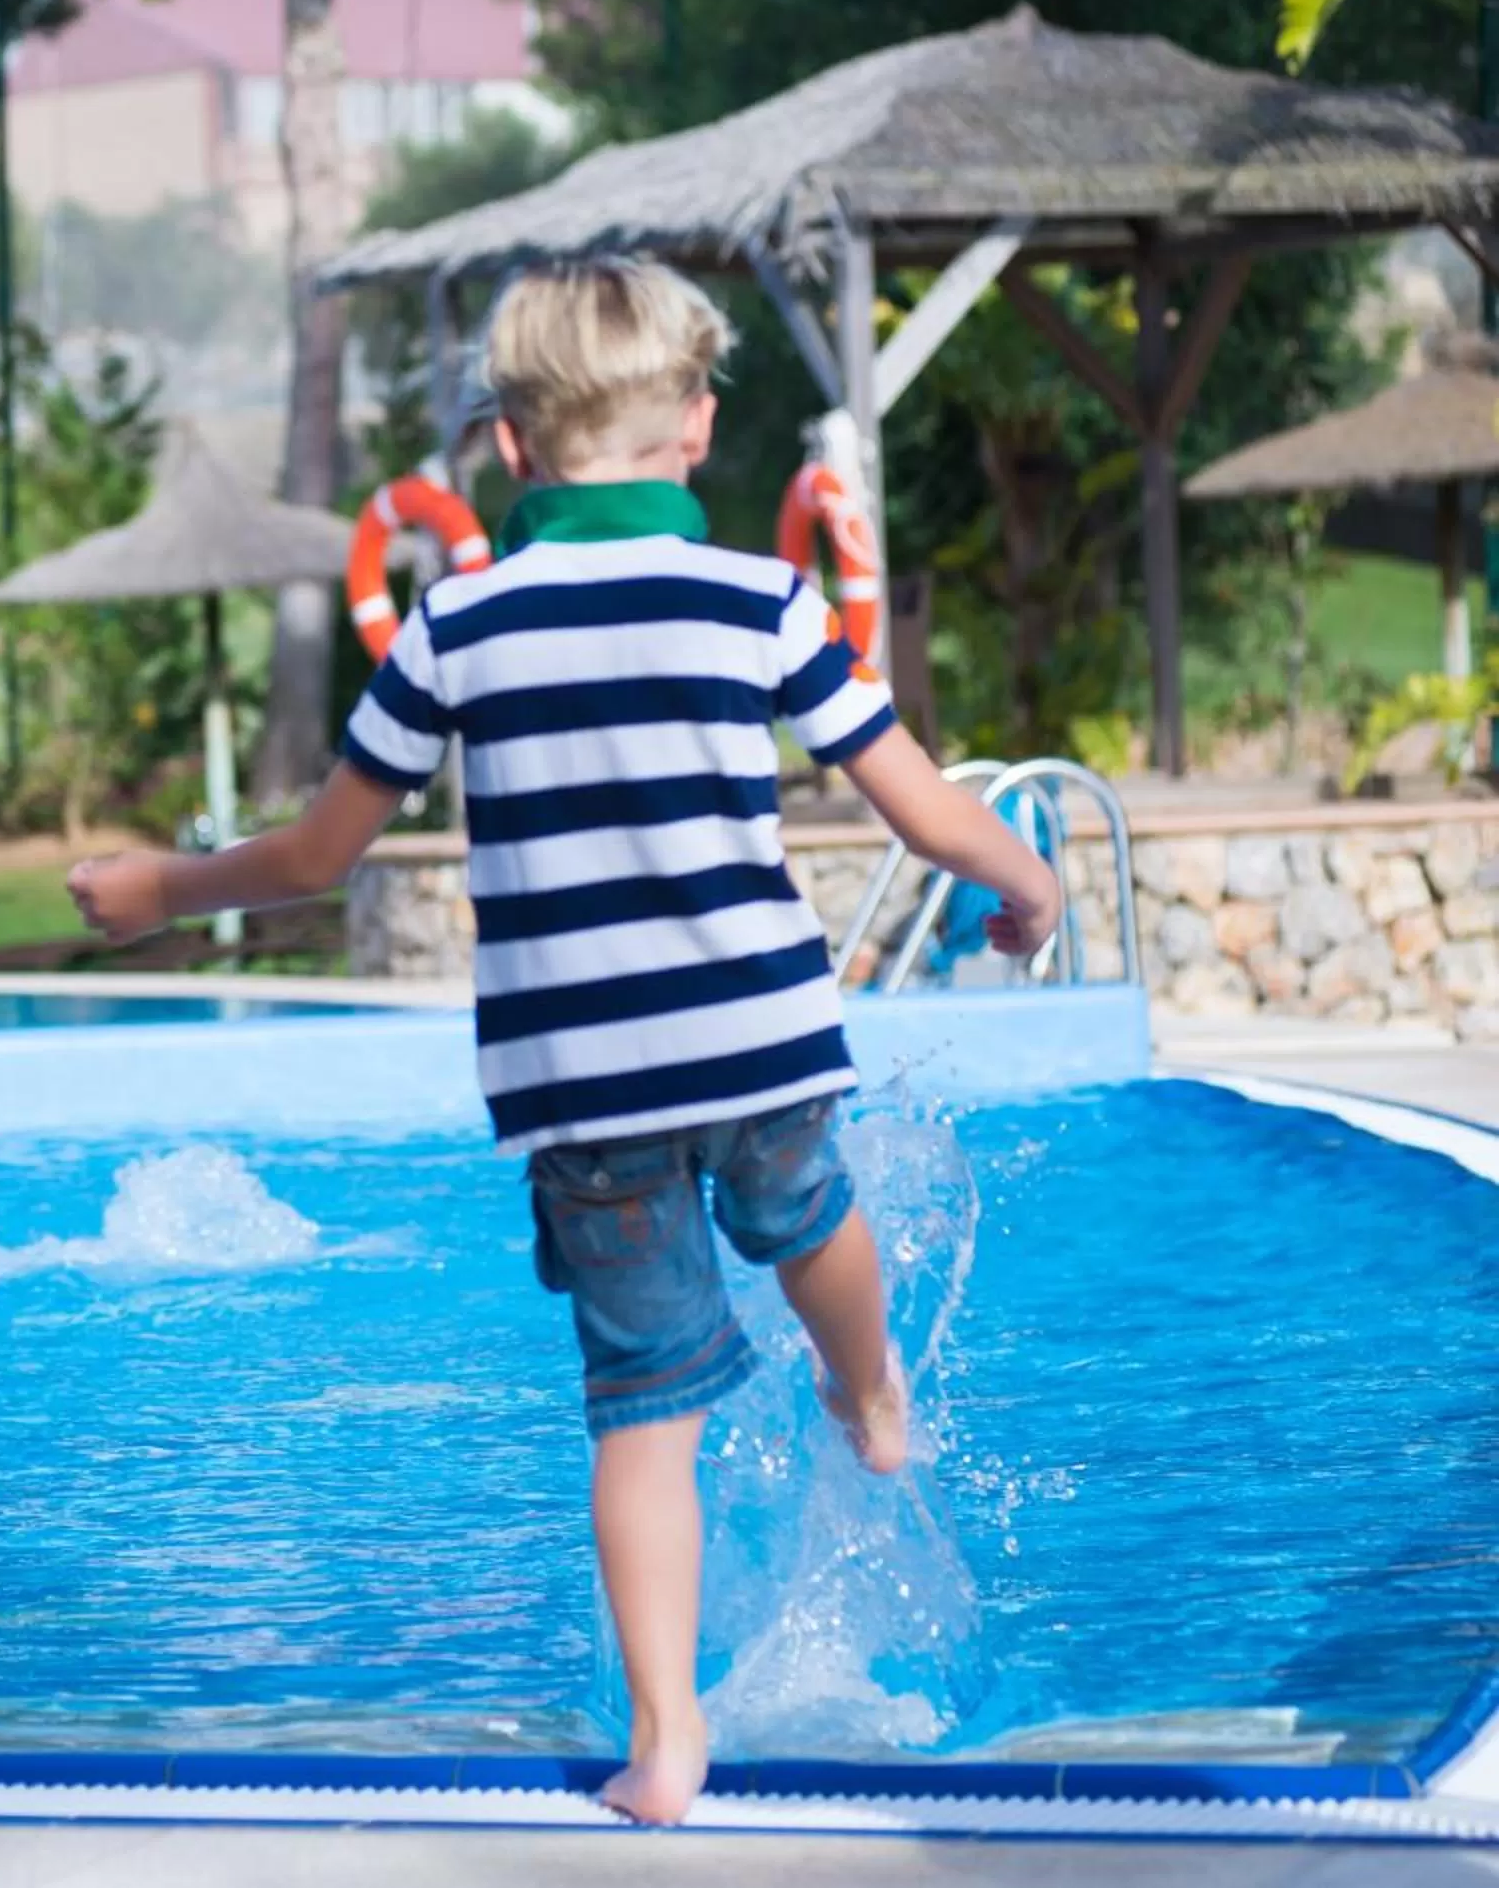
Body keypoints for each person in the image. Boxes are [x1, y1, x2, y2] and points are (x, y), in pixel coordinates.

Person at [66, 254, 1061, 1826]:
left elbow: (323, 855)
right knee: (812, 1213)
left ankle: (669, 1741)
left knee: (643, 1415)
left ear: (512, 452)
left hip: (584, 1087)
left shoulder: (453, 625)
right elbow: (909, 788)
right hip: (759, 1038)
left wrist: (159, 890)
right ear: (699, 426)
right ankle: (870, 1392)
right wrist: (1025, 878)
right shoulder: (759, 597)